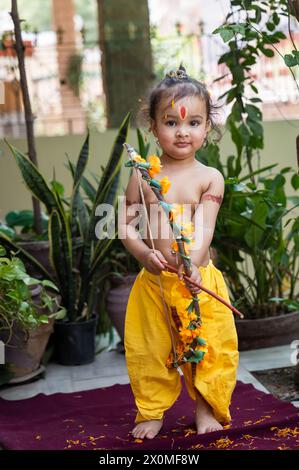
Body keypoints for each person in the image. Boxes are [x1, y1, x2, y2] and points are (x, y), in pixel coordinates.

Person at [119, 65, 239, 440]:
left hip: (198, 283)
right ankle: (151, 410)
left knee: (207, 349)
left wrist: (193, 263)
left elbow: (204, 227)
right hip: (154, 283)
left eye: (193, 122)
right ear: (153, 128)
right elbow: (123, 225)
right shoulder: (142, 175)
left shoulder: (209, 178)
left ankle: (206, 409)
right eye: (171, 122)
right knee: (150, 348)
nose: (182, 131)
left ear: (208, 128)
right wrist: (141, 253)